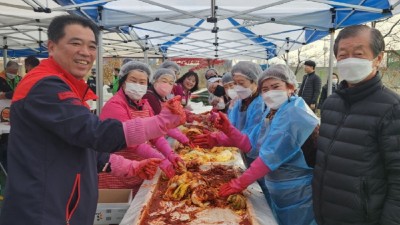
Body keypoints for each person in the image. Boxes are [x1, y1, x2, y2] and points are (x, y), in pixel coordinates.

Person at [0, 15, 186, 225]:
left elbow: (86, 146)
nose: (85, 52)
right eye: (75, 43)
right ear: (51, 47)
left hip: (65, 206)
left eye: (91, 46)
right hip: (44, 211)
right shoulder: (45, 86)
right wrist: (161, 122)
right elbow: (95, 133)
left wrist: (130, 167)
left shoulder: (67, 87)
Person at [312, 25, 400, 225]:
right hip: (325, 213)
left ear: (378, 58)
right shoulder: (331, 103)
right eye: (343, 55)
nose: (350, 60)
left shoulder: (392, 108)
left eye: (359, 54)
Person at [215, 64, 319, 225]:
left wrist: (239, 183)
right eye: (265, 89)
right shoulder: (272, 111)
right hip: (279, 187)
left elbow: (269, 157)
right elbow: (252, 144)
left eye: (275, 86)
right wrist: (227, 131)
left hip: (297, 192)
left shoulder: (294, 113)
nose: (270, 92)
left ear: (290, 87)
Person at [98, 62, 185, 194]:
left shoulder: (145, 104)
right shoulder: (115, 105)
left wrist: (170, 154)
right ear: (123, 81)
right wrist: (162, 160)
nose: (138, 85)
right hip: (116, 175)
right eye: (133, 81)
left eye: (142, 82)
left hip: (140, 170)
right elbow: (133, 143)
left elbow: (155, 136)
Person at [143, 68, 191, 146]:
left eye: (170, 83)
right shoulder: (149, 96)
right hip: (150, 140)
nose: (167, 85)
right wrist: (181, 138)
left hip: (159, 137)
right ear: (155, 80)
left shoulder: (162, 97)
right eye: (164, 81)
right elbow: (163, 122)